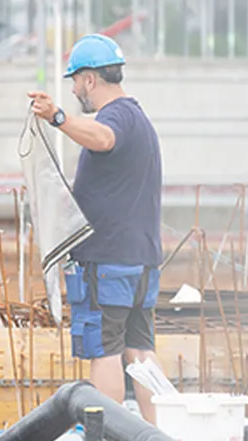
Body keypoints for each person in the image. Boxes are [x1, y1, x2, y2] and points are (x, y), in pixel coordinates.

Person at [28, 33, 165, 417]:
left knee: (104, 351)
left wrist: (57, 117)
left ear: (90, 79)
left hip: (108, 262)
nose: (74, 90)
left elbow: (103, 139)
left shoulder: (115, 117)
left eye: (75, 81)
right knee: (140, 352)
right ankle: (160, 440)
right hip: (139, 260)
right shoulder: (138, 118)